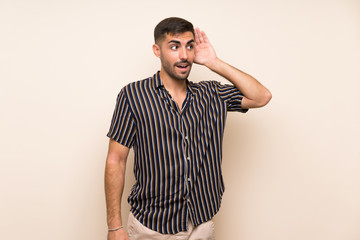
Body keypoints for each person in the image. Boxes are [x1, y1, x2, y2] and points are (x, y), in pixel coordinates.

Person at [104, 17, 271, 240]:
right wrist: (115, 226)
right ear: (157, 50)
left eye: (189, 46)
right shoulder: (133, 95)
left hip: (201, 224)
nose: (184, 55)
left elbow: (261, 97)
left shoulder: (212, 94)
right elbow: (116, 160)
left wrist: (214, 62)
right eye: (174, 46)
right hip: (152, 226)